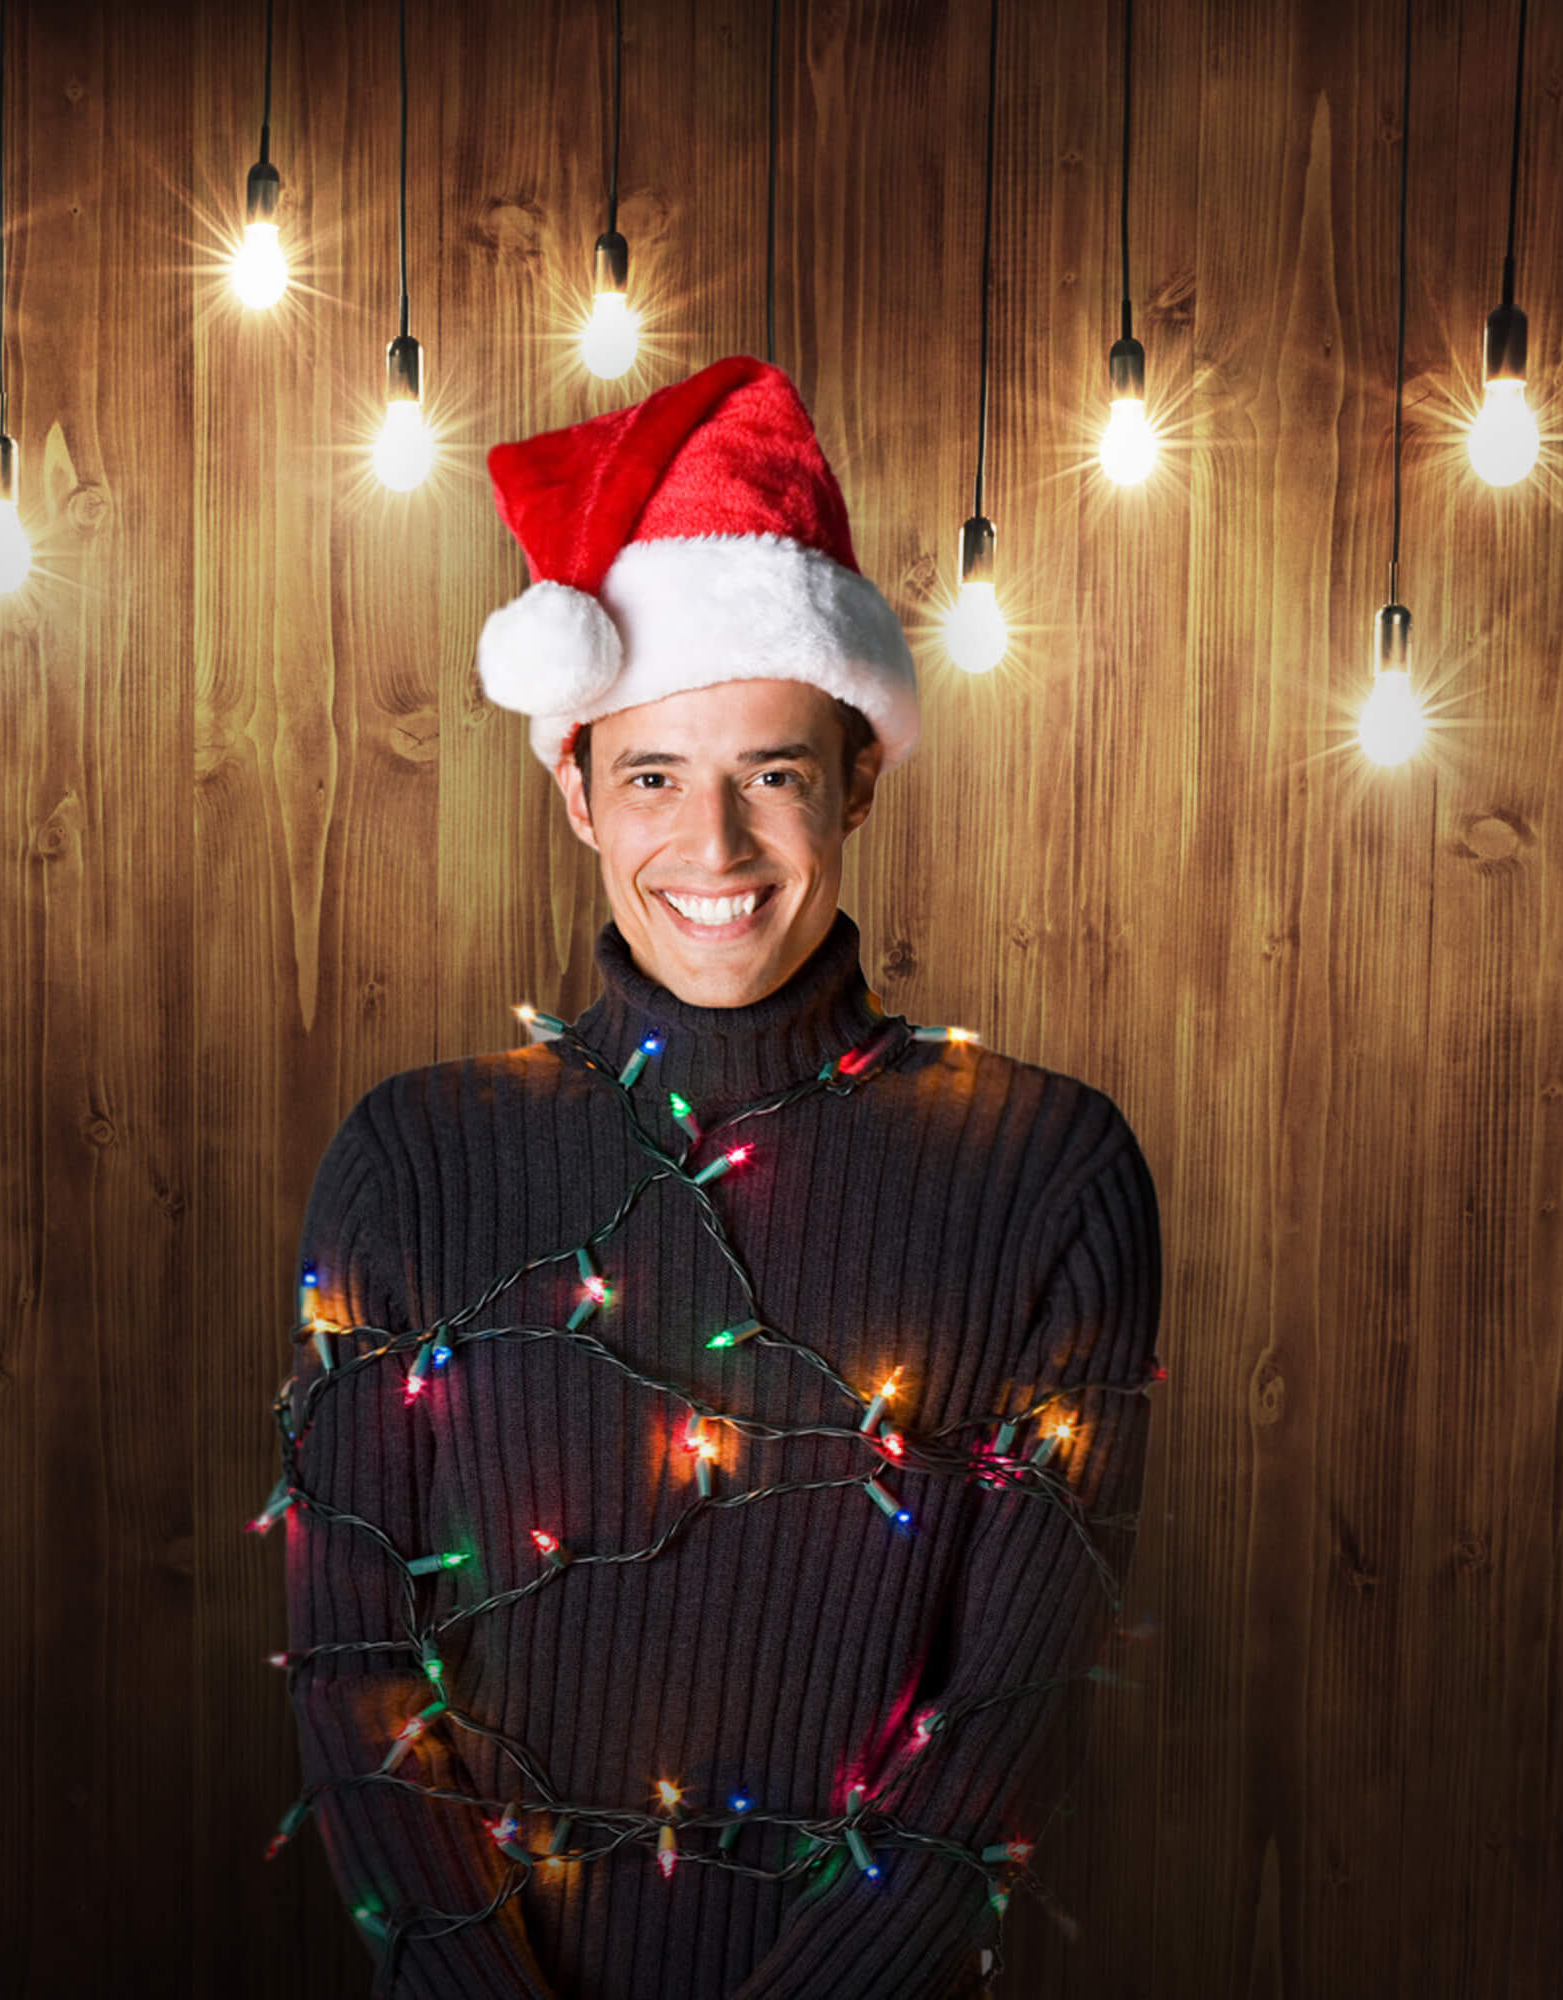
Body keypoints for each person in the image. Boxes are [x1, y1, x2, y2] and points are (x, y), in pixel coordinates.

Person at [272, 354, 1164, 1999]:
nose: (718, 849)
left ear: (862, 775)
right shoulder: (412, 1161)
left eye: (773, 772)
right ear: (574, 787)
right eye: (657, 777)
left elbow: (996, 1735)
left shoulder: (1046, 1175)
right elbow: (350, 1671)